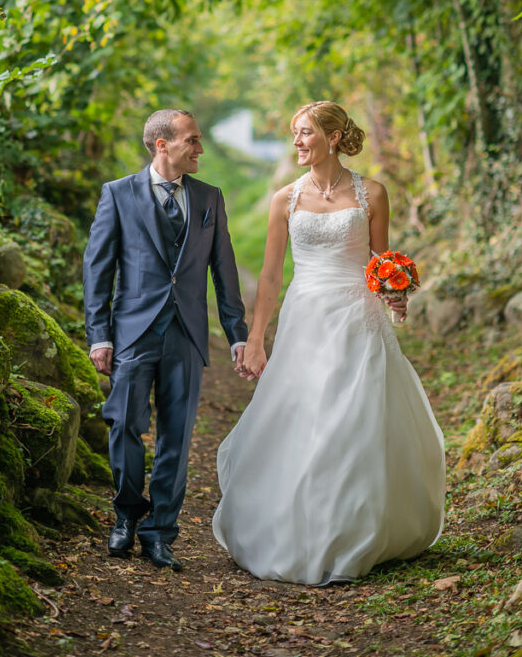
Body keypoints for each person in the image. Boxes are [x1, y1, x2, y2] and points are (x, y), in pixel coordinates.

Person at [212, 101, 445, 585]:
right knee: (305, 414)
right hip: (307, 317)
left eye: (305, 134)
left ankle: (356, 527)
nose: (297, 142)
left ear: (333, 138)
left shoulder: (373, 194)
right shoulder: (285, 199)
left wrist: (395, 296)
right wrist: (256, 341)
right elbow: (272, 276)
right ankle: (300, 525)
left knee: (355, 417)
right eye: (295, 134)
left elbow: (382, 265)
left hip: (358, 318)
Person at [84, 108, 248, 570]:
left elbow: (225, 270)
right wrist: (100, 335)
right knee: (124, 427)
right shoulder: (117, 194)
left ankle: (160, 533)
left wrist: (237, 333)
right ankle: (126, 516)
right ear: (162, 144)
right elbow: (98, 268)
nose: (199, 148)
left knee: (177, 436)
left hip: (187, 334)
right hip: (132, 332)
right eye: (192, 140)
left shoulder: (210, 198)